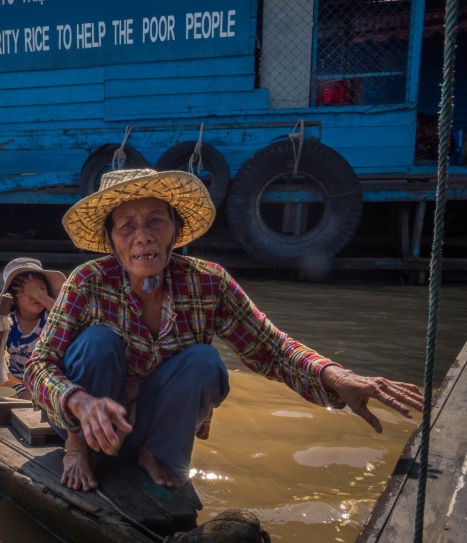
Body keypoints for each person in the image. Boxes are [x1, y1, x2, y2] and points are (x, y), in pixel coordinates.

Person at [24, 168, 423, 492]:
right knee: (97, 342)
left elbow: (271, 348)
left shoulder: (209, 283)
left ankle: (156, 452)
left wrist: (336, 376)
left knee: (204, 361)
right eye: (126, 225)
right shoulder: (88, 281)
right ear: (112, 242)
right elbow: (38, 365)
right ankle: (78, 449)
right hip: (83, 420)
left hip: (149, 422)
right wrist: (79, 402)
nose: (142, 235)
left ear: (175, 231)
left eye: (155, 221)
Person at [0, 258, 65, 399]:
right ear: (14, 298)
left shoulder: (51, 317)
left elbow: (68, 317)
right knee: (3, 386)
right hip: (15, 379)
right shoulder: (8, 322)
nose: (35, 296)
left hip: (46, 377)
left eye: (41, 289)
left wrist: (39, 295)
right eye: (28, 292)